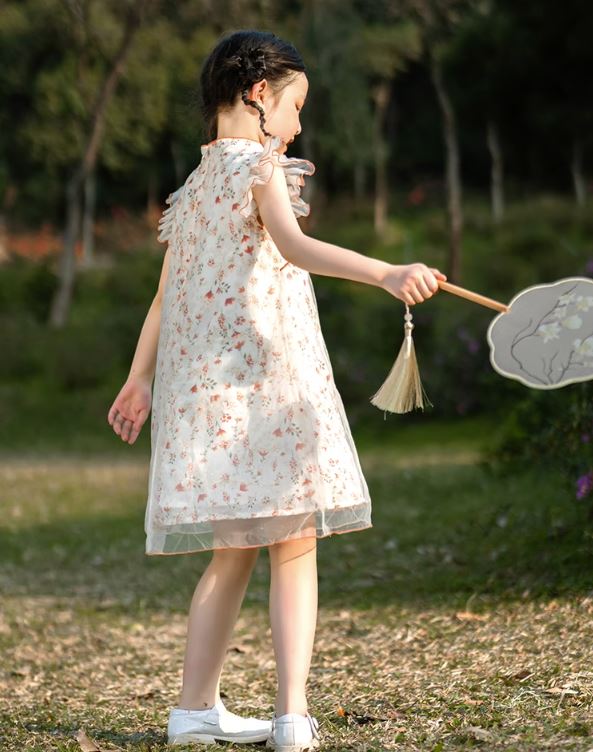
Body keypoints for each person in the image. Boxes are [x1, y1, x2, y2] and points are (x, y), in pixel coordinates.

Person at [107, 28, 446, 752]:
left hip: (209, 401)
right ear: (258, 96)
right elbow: (294, 248)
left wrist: (138, 377)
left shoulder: (190, 190)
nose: (296, 125)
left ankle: (194, 711)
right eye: (294, 106)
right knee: (294, 543)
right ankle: (292, 715)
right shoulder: (260, 165)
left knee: (233, 551)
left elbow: (164, 301)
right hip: (270, 385)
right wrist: (387, 272)